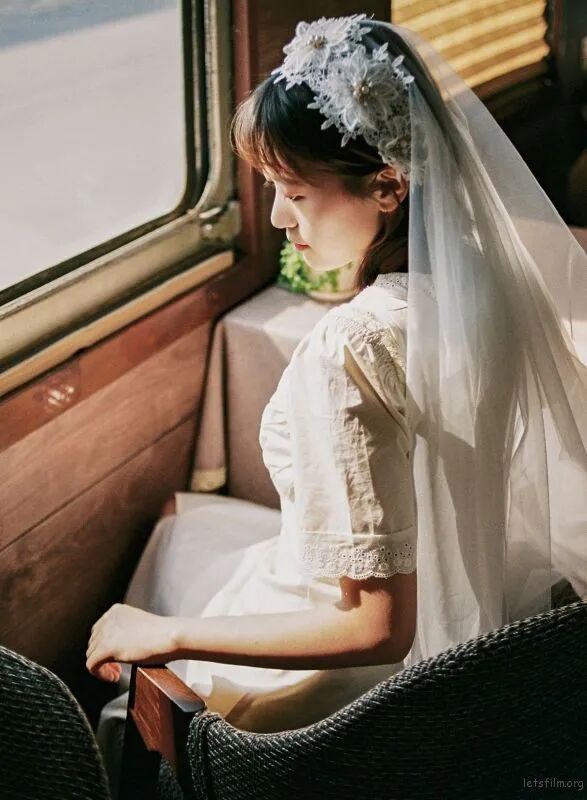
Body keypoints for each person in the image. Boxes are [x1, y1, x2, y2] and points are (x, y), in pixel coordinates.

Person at [88, 13, 587, 778]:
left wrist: (169, 634)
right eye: (268, 187)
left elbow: (375, 627)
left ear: (387, 185)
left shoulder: (352, 345)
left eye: (293, 191)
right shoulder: (493, 279)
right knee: (180, 531)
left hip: (365, 673)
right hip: (487, 607)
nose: (278, 218)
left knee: (153, 610)